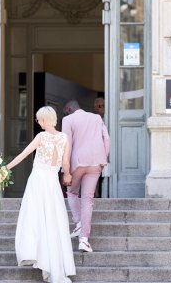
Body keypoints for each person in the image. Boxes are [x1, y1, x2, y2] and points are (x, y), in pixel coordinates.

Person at [7, 106, 76, 283]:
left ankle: (38, 255)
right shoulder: (64, 138)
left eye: (39, 119)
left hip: (38, 180)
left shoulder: (41, 137)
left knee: (35, 218)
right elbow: (65, 163)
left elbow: (23, 154)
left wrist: (5, 168)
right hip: (52, 182)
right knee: (53, 221)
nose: (38, 122)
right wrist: (67, 175)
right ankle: (54, 264)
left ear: (45, 120)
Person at [62, 100, 110, 253]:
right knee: (88, 198)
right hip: (96, 161)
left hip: (77, 161)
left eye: (65, 111)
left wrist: (66, 170)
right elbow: (106, 139)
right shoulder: (97, 118)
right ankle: (84, 240)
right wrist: (104, 158)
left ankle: (78, 223)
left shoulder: (67, 120)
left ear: (68, 109)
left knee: (71, 192)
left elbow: (66, 144)